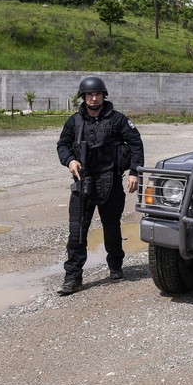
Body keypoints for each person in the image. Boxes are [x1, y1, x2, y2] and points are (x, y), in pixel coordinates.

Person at [55, 76, 145, 295]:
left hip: (111, 181)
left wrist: (134, 172)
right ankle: (73, 277)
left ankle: (115, 267)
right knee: (77, 230)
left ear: (103, 96)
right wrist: (70, 160)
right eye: (89, 95)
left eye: (97, 94)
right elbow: (62, 145)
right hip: (83, 181)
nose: (93, 98)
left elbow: (135, 144)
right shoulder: (74, 121)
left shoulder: (118, 120)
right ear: (83, 97)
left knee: (111, 226)